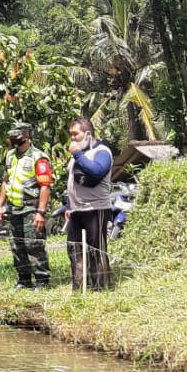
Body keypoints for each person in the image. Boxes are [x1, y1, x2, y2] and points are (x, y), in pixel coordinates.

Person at [0, 122, 53, 289]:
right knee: (17, 244)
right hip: (14, 208)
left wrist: (40, 212)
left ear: (26, 137)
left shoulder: (38, 157)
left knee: (33, 244)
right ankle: (24, 280)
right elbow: (5, 181)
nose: (13, 140)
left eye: (17, 137)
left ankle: (42, 280)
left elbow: (45, 186)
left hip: (31, 208)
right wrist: (0, 205)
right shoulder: (10, 156)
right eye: (11, 137)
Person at [66, 117, 114, 291]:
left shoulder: (102, 152)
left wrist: (77, 155)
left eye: (75, 134)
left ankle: (100, 287)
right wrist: (68, 206)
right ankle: (79, 287)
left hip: (96, 208)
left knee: (96, 249)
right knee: (74, 248)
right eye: (71, 135)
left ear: (88, 134)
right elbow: (71, 181)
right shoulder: (79, 155)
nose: (72, 139)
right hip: (77, 209)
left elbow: (97, 170)